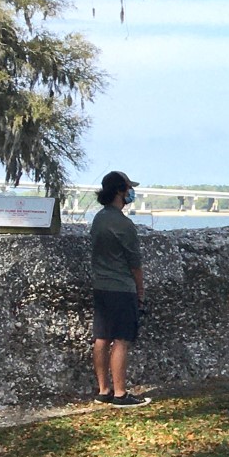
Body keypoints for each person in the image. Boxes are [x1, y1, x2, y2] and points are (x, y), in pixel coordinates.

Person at [90, 170, 149, 406]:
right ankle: (120, 393)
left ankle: (103, 389)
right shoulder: (123, 224)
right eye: (128, 189)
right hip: (121, 288)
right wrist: (141, 292)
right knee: (122, 340)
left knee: (101, 338)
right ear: (120, 191)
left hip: (101, 286)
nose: (130, 193)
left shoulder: (99, 219)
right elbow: (135, 263)